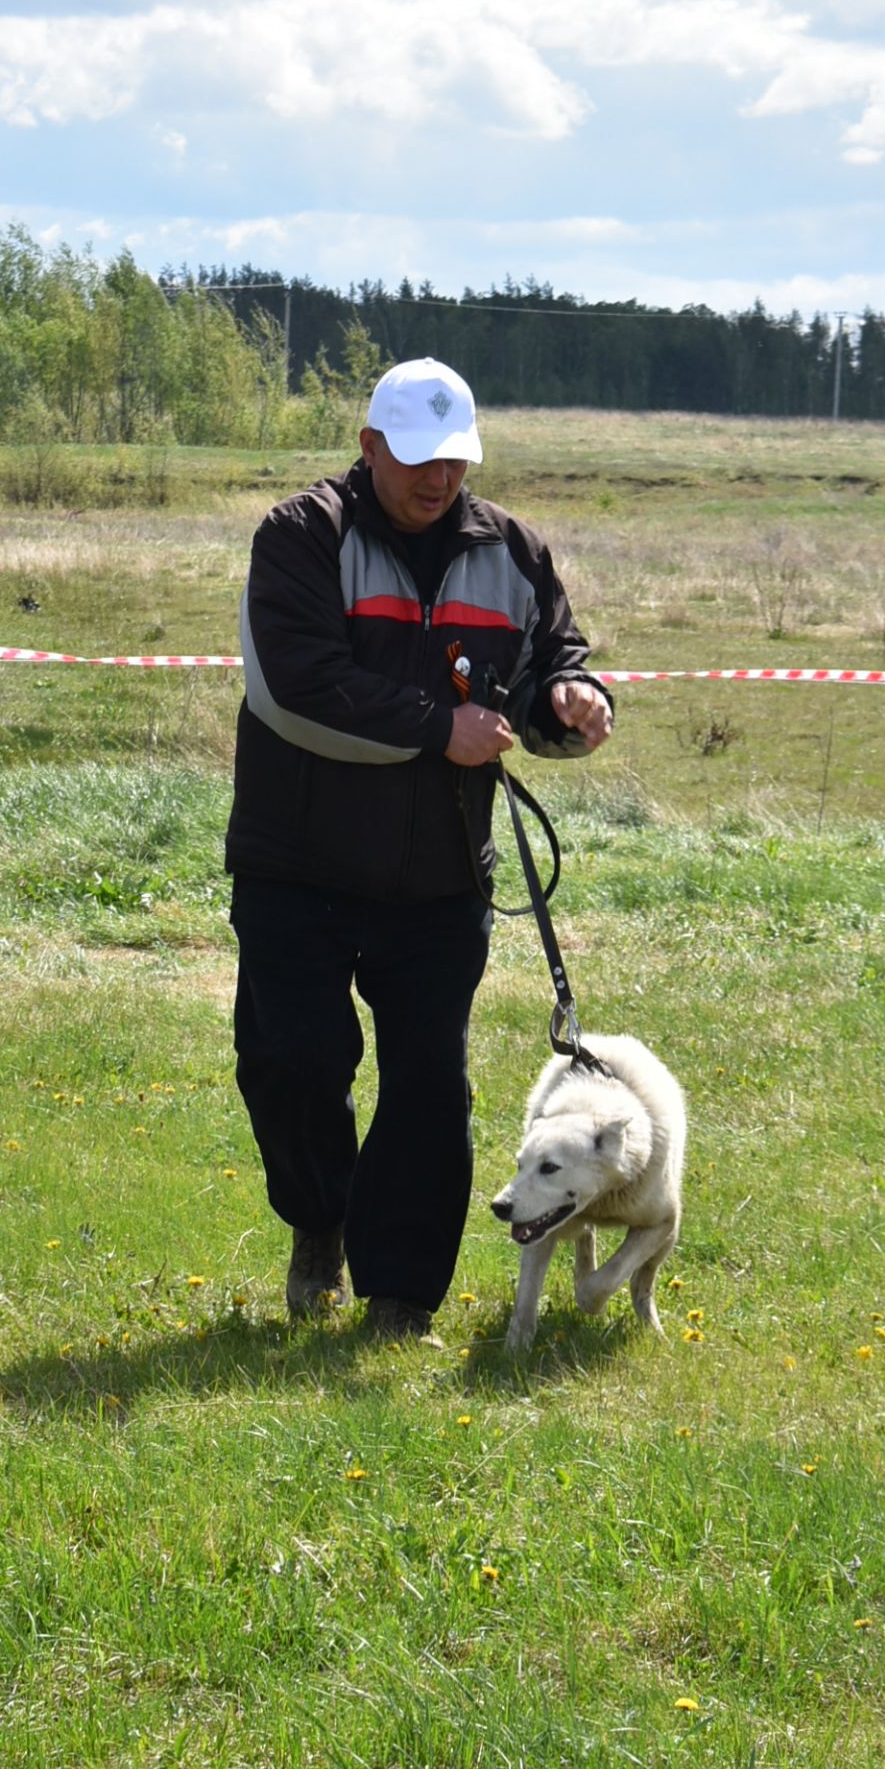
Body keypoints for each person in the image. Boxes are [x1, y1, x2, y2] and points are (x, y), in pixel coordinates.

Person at [225, 357, 614, 1337]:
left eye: (454, 462)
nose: (437, 482)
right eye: (416, 462)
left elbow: (543, 662)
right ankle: (321, 1222)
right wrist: (441, 727)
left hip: (438, 879)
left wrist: (572, 701)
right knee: (297, 1063)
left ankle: (401, 1299)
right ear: (368, 448)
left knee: (429, 1086)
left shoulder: (513, 553)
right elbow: (298, 681)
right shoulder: (301, 538)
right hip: (295, 864)